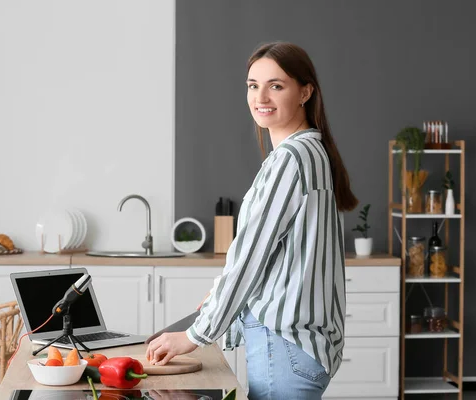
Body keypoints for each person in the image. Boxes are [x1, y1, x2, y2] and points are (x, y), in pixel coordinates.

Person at [145, 41, 358, 400]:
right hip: (304, 346)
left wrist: (195, 334)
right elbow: (277, 256)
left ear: (305, 91)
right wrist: (216, 300)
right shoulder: (313, 153)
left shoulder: (290, 160)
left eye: (276, 85)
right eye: (252, 85)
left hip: (284, 343)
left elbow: (248, 261)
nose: (261, 96)